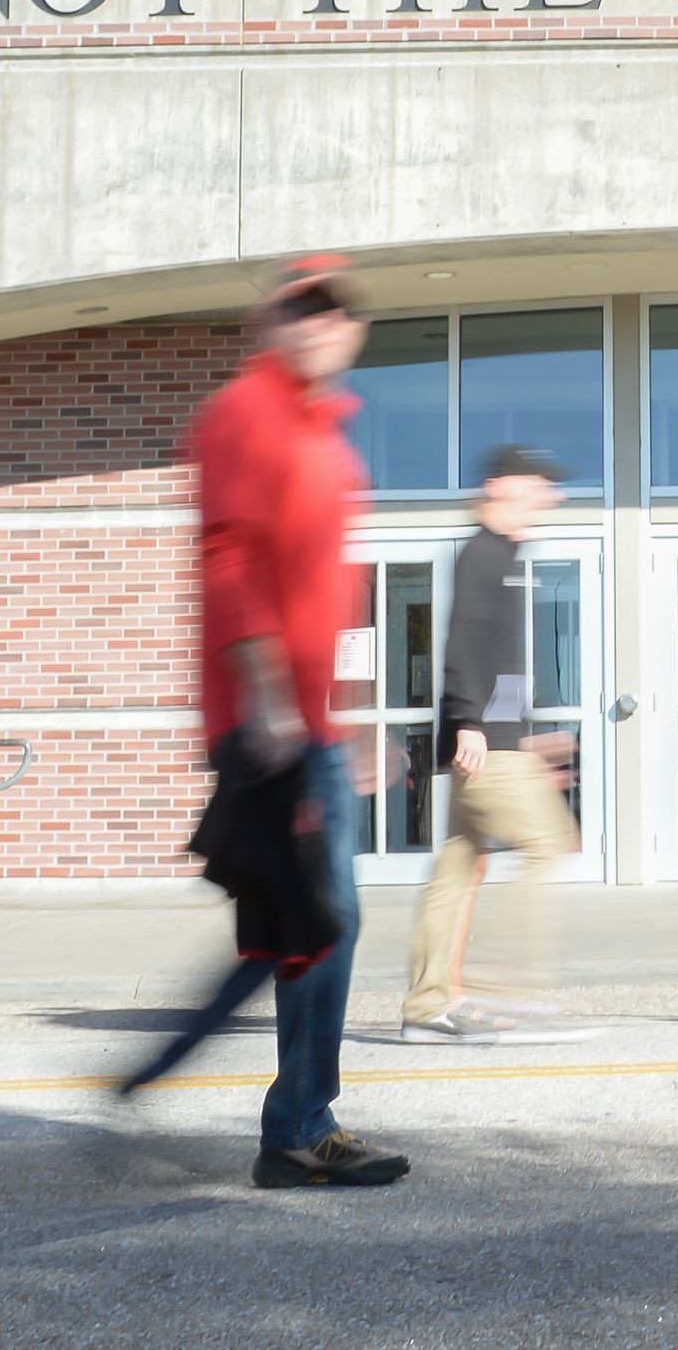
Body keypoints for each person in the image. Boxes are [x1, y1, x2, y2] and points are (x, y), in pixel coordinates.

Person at [179, 253, 410, 1188]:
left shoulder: (330, 440)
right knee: (317, 920)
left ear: (353, 328)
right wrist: (271, 700)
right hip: (265, 721)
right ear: (270, 323)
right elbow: (230, 559)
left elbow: (325, 599)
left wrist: (347, 721)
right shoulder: (244, 413)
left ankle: (295, 1121)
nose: (320, 323)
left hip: (308, 727)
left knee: (313, 922)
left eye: (335, 310)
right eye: (301, 307)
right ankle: (295, 1124)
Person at [401, 446, 584, 1043]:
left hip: (493, 743)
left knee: (457, 871)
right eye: (540, 485)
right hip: (484, 746)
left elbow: (500, 663)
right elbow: (461, 643)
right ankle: (500, 986)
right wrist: (469, 722)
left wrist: (524, 738)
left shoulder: (502, 555)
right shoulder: (483, 554)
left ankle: (429, 1005)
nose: (551, 497)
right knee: (549, 843)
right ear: (503, 486)